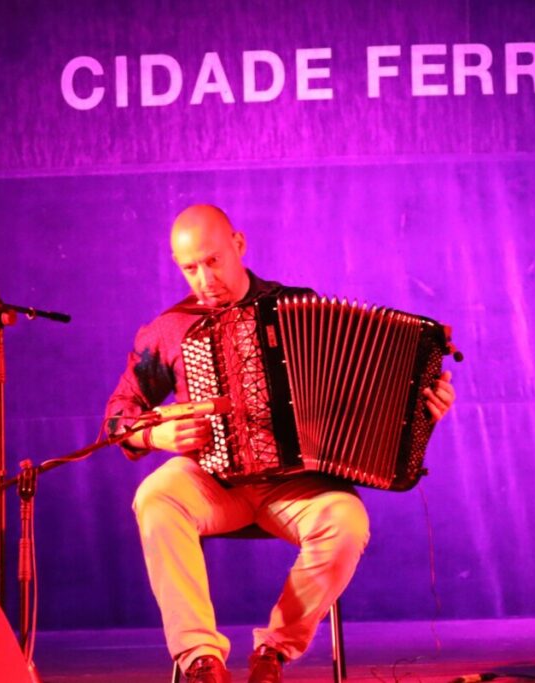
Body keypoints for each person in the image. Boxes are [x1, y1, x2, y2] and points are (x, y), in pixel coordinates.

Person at [105, 204, 456, 683]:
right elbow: (118, 415)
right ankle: (200, 659)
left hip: (296, 487)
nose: (204, 279)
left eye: (212, 261)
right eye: (190, 268)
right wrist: (154, 432)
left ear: (239, 245)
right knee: (155, 497)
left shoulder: (299, 307)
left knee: (348, 523)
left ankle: (273, 652)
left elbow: (365, 398)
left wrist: (421, 407)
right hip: (212, 481)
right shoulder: (169, 329)